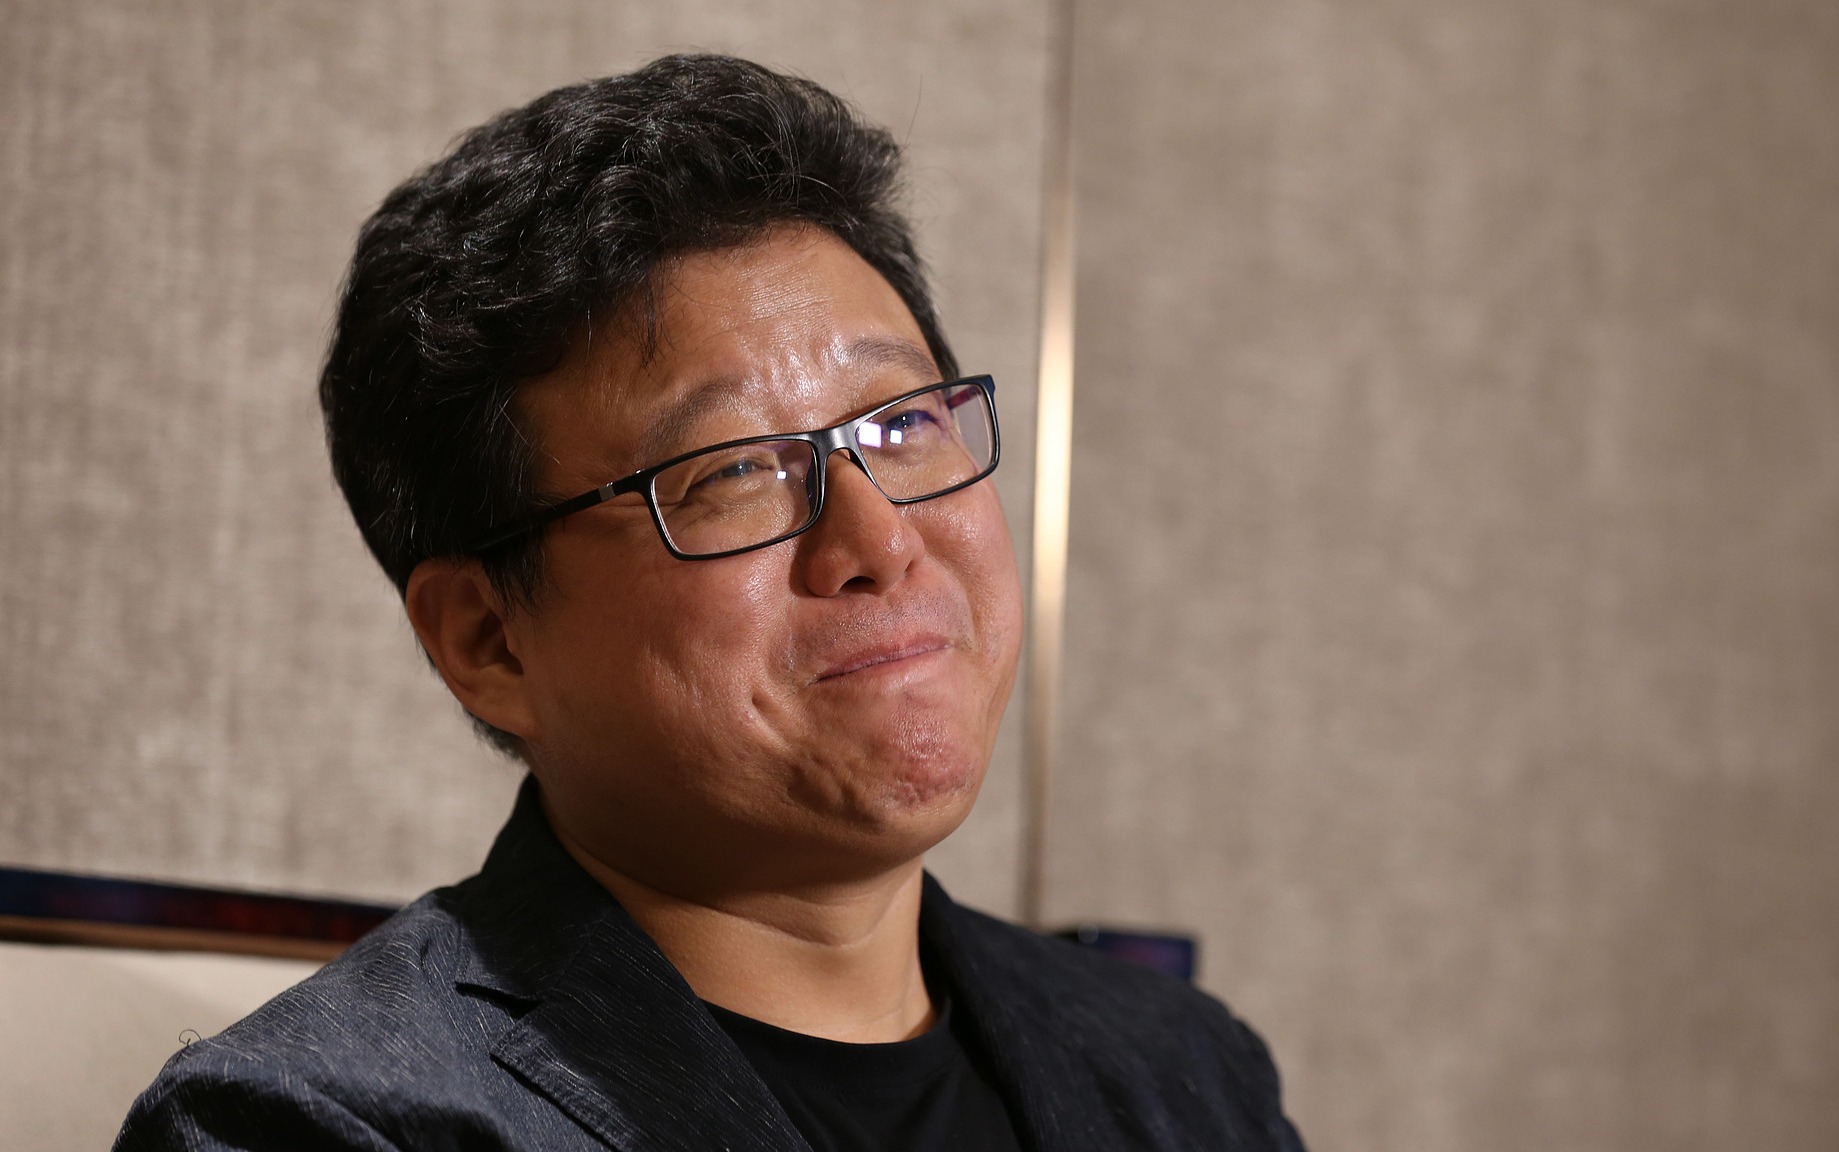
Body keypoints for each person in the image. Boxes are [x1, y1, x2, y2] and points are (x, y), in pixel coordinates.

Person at [117, 53, 1304, 1151]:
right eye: (734, 470)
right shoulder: (320, 1124)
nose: (879, 542)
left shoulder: (1182, 1071)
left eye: (902, 425)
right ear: (489, 641)